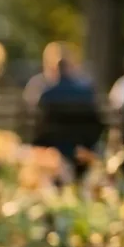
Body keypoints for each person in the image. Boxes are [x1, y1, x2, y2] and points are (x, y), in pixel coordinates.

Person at [23, 42, 103, 177]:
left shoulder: (45, 94)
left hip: (52, 148)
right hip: (81, 148)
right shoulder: (86, 91)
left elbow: (37, 128)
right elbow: (96, 124)